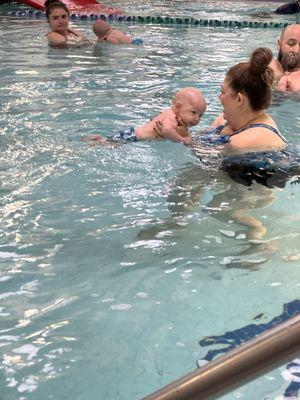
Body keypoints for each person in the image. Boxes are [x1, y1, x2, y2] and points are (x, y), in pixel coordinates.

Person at [197, 48, 287, 153]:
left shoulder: (244, 142)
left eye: (223, 91)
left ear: (239, 99)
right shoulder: (227, 119)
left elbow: (205, 162)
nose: (219, 97)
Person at [80, 87, 206, 145]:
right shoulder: (172, 117)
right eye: (193, 112)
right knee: (108, 145)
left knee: (112, 142)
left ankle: (98, 139)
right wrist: (182, 140)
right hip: (134, 137)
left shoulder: (168, 113)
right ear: (178, 107)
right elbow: (167, 130)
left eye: (200, 115)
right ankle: (96, 141)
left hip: (133, 133)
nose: (196, 119)